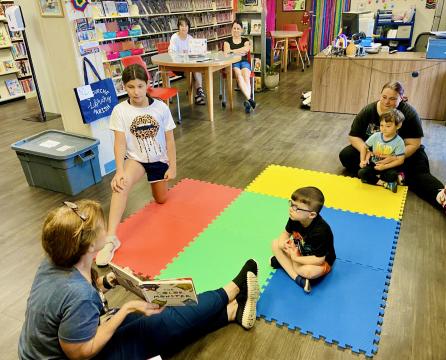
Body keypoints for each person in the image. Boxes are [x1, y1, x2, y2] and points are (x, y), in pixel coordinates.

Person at [18, 200, 260, 360]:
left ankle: (231, 312)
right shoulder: (77, 294)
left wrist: (109, 281)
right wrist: (126, 309)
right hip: (80, 354)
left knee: (158, 323)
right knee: (160, 326)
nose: (108, 230)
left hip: (62, 345)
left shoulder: (55, 261)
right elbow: (81, 352)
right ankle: (233, 289)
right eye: (103, 227)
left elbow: (73, 300)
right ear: (90, 245)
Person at [339, 81, 446, 216]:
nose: (387, 102)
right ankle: (390, 177)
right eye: (384, 97)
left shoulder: (409, 114)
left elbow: (414, 144)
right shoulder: (368, 111)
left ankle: (443, 199)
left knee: (418, 174)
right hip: (376, 154)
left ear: (401, 98)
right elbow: (354, 137)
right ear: (380, 95)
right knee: (346, 155)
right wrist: (367, 152)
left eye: (393, 99)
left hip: (403, 155)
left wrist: (394, 158)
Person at [95, 64, 177, 266]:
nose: (136, 91)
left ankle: (156, 186)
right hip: (136, 160)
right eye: (130, 87)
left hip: (158, 160)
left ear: (147, 84)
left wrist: (172, 166)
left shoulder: (160, 108)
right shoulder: (120, 111)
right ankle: (110, 238)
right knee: (120, 185)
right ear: (124, 87)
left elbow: (170, 140)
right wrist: (119, 171)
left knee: (161, 200)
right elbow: (120, 143)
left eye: (140, 86)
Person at [271, 187, 335, 293]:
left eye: (296, 208)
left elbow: (319, 259)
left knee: (308, 272)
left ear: (312, 214)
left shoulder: (320, 231)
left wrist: (294, 258)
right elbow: (285, 234)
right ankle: (298, 279)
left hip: (319, 261)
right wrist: (283, 244)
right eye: (291, 204)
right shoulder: (295, 217)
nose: (291, 209)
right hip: (300, 253)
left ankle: (284, 263)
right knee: (275, 243)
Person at [358, 109, 406, 193]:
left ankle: (378, 178)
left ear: (398, 126)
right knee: (362, 173)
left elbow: (400, 160)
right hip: (374, 163)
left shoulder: (399, 141)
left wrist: (384, 167)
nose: (383, 129)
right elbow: (364, 147)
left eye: (388, 126)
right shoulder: (376, 136)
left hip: (388, 166)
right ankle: (384, 184)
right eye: (381, 125)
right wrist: (362, 161)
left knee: (391, 175)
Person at [168, 16, 206, 105]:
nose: (184, 28)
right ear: (178, 27)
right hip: (177, 66)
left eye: (186, 25)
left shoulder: (190, 38)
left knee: (195, 69)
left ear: (189, 27)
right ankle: (198, 93)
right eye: (182, 26)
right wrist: (183, 54)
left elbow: (195, 53)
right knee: (194, 71)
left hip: (189, 65)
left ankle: (198, 91)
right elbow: (171, 53)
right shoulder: (174, 38)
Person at [224, 20, 256, 114]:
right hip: (234, 63)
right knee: (239, 76)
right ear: (231, 29)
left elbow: (246, 49)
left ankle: (248, 101)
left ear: (241, 30)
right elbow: (226, 52)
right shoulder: (227, 41)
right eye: (234, 28)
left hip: (244, 62)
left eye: (238, 28)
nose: (236, 30)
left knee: (246, 77)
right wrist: (239, 51)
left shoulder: (245, 40)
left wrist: (232, 50)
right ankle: (249, 99)